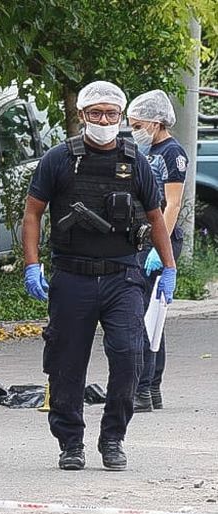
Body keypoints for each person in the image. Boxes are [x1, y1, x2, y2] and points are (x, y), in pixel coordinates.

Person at [21, 80, 177, 472]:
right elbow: (33, 212)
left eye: (110, 114)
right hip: (72, 275)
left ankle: (112, 438)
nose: (103, 121)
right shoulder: (59, 159)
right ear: (82, 115)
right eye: (96, 113)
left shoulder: (135, 161)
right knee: (65, 363)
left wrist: (169, 267)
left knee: (129, 357)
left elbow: (156, 216)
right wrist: (31, 264)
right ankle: (70, 442)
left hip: (122, 276)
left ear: (121, 116)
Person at [127, 89, 187, 412]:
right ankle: (150, 388)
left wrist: (158, 246)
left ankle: (144, 388)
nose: (134, 131)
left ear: (156, 122)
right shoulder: (146, 151)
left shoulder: (171, 153)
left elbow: (172, 203)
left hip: (160, 239)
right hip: (144, 237)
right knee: (149, 315)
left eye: (138, 125)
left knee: (147, 315)